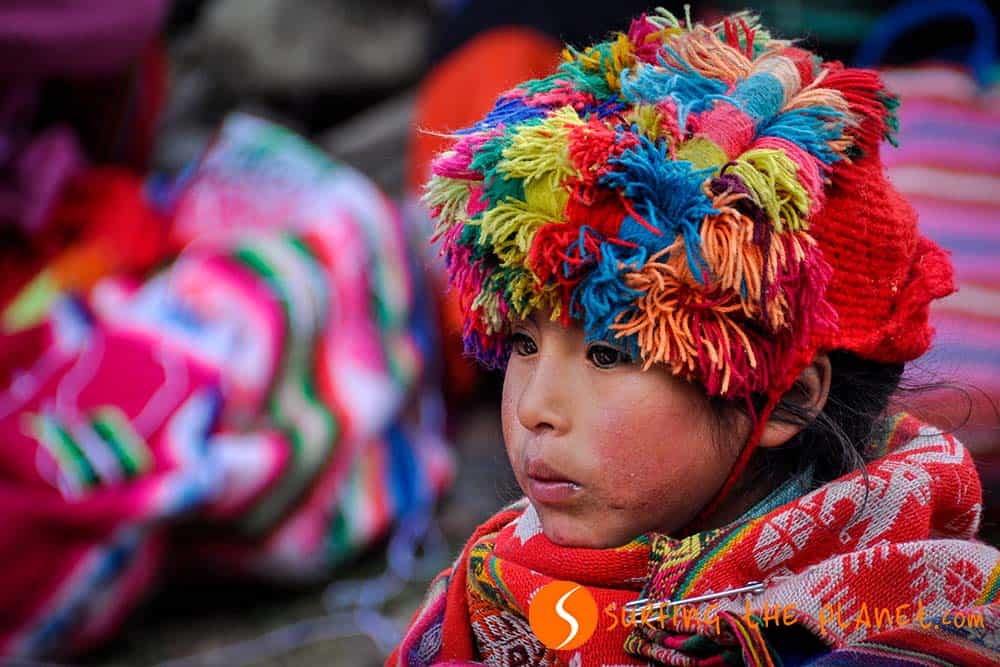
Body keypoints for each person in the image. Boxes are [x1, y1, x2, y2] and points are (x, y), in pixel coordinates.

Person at [388, 8, 1000, 666]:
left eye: (608, 352)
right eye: (523, 343)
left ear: (787, 392)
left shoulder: (892, 627)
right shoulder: (491, 592)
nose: (535, 406)